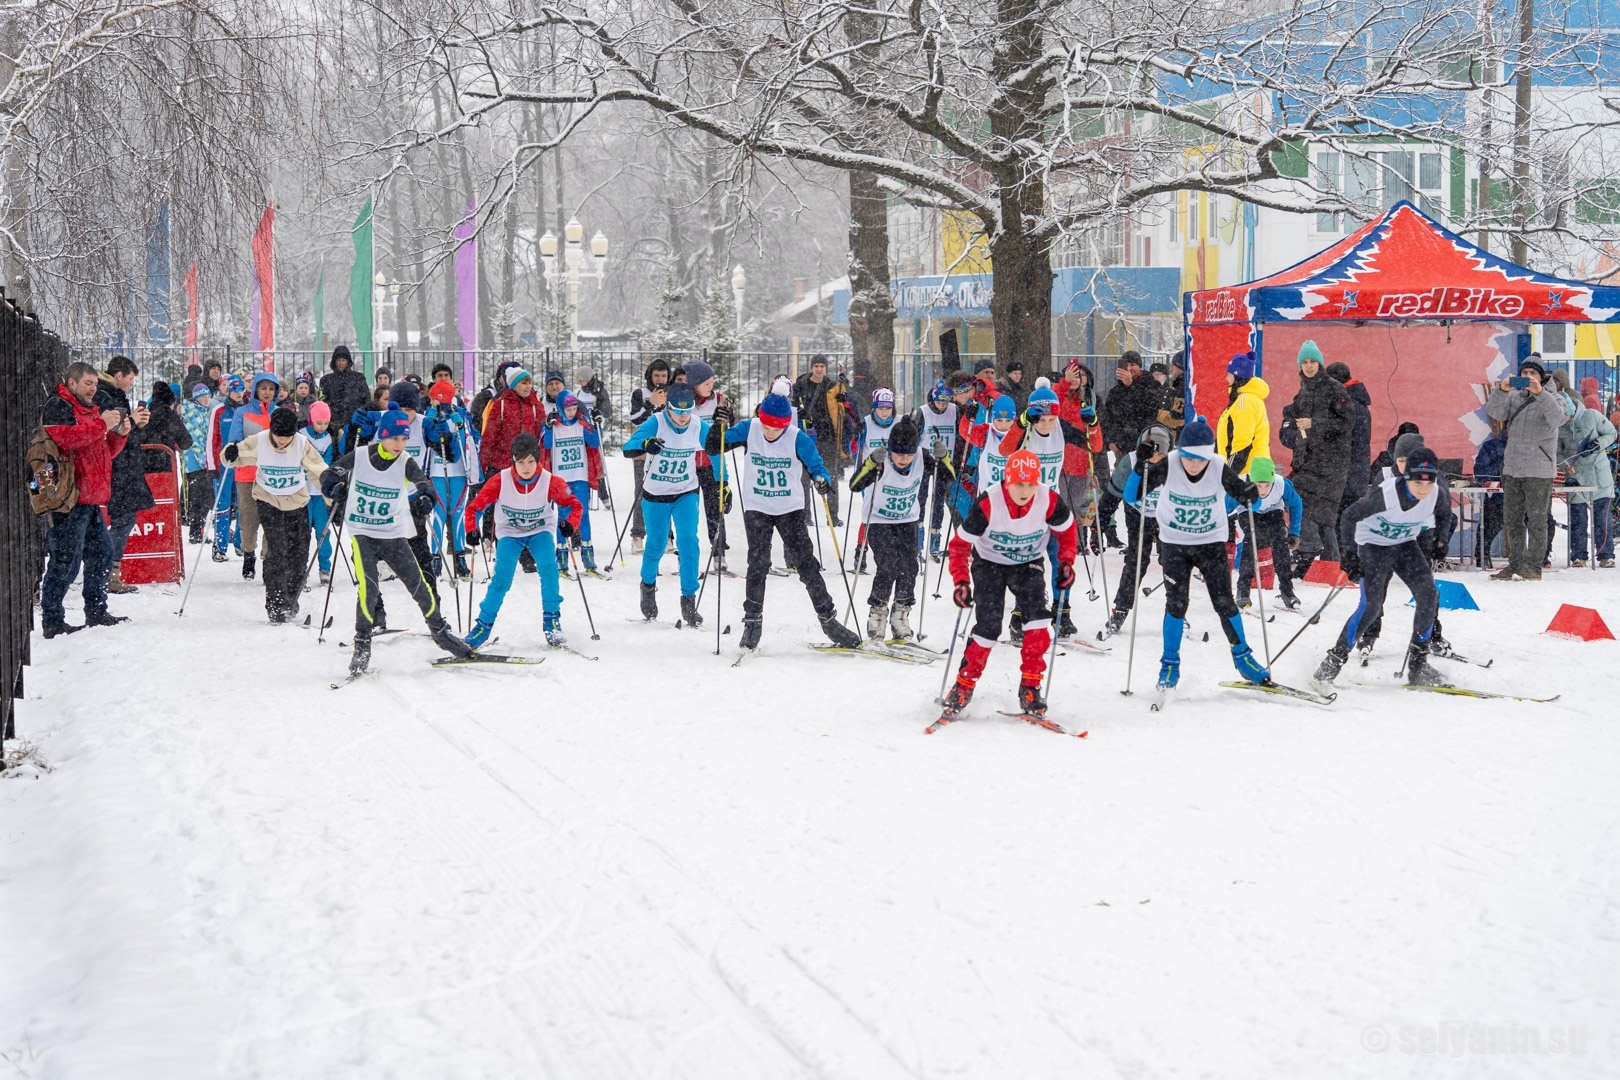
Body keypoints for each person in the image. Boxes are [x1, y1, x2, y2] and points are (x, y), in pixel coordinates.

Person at [320, 405, 473, 676]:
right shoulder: (361, 456)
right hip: (362, 531)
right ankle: (363, 643)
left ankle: (440, 633)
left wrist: (426, 498)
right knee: (368, 588)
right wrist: (333, 486)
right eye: (395, 439)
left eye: (404, 439)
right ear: (382, 436)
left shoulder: (405, 461)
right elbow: (329, 473)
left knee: (419, 585)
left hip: (392, 531)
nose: (400, 444)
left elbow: (425, 485)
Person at [706, 393, 862, 652]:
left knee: (807, 565)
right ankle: (752, 622)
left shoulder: (796, 437)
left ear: (786, 424)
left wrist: (822, 480)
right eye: (766, 425)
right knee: (757, 564)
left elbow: (817, 467)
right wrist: (717, 426)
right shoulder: (750, 428)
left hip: (789, 508)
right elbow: (713, 446)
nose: (769, 432)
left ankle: (829, 620)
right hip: (757, 506)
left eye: (776, 427)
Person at [1123, 415, 1268, 691]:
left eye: (1198, 459)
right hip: (1175, 545)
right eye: (1188, 458)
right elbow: (1132, 496)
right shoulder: (1170, 464)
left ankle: (1244, 658)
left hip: (1210, 544)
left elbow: (1254, 503)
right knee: (1177, 603)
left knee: (1224, 602)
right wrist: (1139, 470)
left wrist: (1250, 494)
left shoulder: (1217, 466)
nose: (1192, 464)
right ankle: (1169, 664)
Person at [940, 448, 1079, 718]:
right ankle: (963, 685)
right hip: (989, 563)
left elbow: (1068, 533)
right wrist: (961, 581)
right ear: (1006, 480)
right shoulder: (988, 503)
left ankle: (1030, 686)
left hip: (1028, 563)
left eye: (1030, 483)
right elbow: (959, 546)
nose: (1025, 490)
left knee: (1038, 621)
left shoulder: (1049, 500)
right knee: (989, 627)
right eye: (1018, 484)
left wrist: (1066, 563)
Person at [1312, 448, 1448, 688]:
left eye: (1429, 484)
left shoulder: (1437, 494)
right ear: (1407, 477)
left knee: (1429, 596)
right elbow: (1348, 516)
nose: (1423, 490)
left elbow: (1445, 516)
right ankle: (1331, 664)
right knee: (1371, 607)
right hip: (1373, 547)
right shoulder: (1386, 496)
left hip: (1405, 545)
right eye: (1418, 483)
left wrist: (1441, 541)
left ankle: (1418, 666)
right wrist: (1350, 554)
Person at [461, 433, 583, 648]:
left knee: (548, 569)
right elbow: (474, 508)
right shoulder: (500, 480)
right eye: (520, 462)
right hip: (510, 532)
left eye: (531, 461)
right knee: (502, 579)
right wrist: (471, 529)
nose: (526, 467)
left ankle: (552, 621)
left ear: (538, 460)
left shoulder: (550, 481)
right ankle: (483, 626)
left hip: (540, 530)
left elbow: (574, 505)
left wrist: (570, 524)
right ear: (513, 461)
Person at [997, 385, 1101, 637]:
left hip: (1053, 507)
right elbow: (1004, 450)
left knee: (1061, 561)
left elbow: (1094, 446)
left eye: (1052, 419)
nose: (1046, 425)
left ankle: (1061, 612)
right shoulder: (1026, 431)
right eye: (1042, 420)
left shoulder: (1061, 429)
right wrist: (1022, 422)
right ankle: (1020, 615)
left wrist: (1093, 423)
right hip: (1025, 509)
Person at [40, 361, 132, 638]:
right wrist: (102, 424)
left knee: (101, 555)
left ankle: (96, 610)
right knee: (65, 560)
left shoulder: (88, 411)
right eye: (88, 383)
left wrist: (121, 435)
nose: (94, 388)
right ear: (72, 383)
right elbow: (67, 440)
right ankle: (53, 621)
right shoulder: (58, 406)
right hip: (68, 498)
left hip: (88, 497)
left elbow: (102, 451)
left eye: (95, 383)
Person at [222, 406, 330, 621]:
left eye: (287, 437)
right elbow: (232, 458)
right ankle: (276, 604)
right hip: (268, 499)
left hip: (297, 501)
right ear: (271, 431)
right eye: (278, 436)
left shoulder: (301, 443)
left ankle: (292, 599)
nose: (282, 441)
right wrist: (230, 453)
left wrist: (332, 492)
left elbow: (318, 469)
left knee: (299, 553)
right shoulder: (260, 440)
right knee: (277, 551)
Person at [622, 383, 710, 625]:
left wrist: (724, 427)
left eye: (688, 411)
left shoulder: (696, 424)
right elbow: (628, 447)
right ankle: (648, 586)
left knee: (688, 542)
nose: (683, 417)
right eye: (677, 411)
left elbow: (718, 446)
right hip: (656, 494)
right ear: (668, 408)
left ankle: (689, 600)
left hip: (685, 492)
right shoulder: (657, 422)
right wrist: (646, 444)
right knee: (657, 545)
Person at [849, 417, 942, 641]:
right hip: (879, 520)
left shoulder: (921, 456)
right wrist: (871, 463)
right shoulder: (881, 459)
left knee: (910, 566)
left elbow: (948, 475)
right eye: (899, 453)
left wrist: (944, 456)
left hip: (907, 519)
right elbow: (855, 485)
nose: (903, 459)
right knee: (888, 565)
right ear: (890, 449)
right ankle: (877, 614)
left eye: (908, 454)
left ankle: (900, 615)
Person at [1485, 356, 1569, 580]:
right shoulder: (1514, 396)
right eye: (1525, 374)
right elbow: (1495, 413)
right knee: (1512, 519)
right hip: (1513, 468)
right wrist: (1501, 390)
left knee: (1537, 520)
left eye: (1533, 373)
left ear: (1541, 377)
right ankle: (1515, 563)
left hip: (1539, 470)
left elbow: (1559, 418)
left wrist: (1540, 393)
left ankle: (1533, 566)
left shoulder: (1555, 398)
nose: (1529, 377)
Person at [1279, 341, 1352, 567]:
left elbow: (1348, 421)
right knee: (1324, 514)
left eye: (1312, 361)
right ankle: (1329, 565)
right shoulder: (1303, 391)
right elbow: (1291, 429)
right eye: (1305, 362)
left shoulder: (1333, 388)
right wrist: (1294, 431)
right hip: (1309, 461)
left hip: (1330, 462)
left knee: (1298, 496)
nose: (1309, 366)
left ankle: (1307, 552)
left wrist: (1314, 424)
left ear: (1320, 363)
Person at [1100, 424, 1172, 637]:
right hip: (1137, 514)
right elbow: (1112, 495)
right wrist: (1100, 524)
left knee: (1172, 562)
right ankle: (1120, 609)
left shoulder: (1175, 463)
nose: (1154, 458)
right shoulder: (1130, 462)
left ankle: (1176, 611)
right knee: (1136, 561)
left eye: (1160, 454)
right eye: (1150, 453)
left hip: (1165, 516)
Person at [93, 356, 153, 595]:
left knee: (121, 521)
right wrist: (132, 423)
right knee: (122, 521)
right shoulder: (107, 396)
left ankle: (106, 572)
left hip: (121, 468)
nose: (130, 384)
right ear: (119, 376)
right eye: (129, 378)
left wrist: (134, 425)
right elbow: (114, 435)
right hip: (119, 469)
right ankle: (107, 573)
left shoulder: (109, 394)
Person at [541, 391, 605, 575]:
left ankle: (588, 559)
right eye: (568, 409)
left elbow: (593, 442)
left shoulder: (581, 423)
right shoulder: (554, 425)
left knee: (583, 515)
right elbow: (546, 445)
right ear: (560, 408)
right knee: (563, 516)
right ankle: (562, 559)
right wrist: (547, 426)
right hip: (562, 479)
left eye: (574, 408)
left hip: (580, 476)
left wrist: (596, 424)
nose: (571, 412)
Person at [227, 371, 282, 580]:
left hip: (273, 476)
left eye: (271, 389)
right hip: (247, 475)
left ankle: (268, 559)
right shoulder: (242, 413)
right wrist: (233, 448)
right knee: (248, 520)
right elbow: (234, 438)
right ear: (256, 389)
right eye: (263, 388)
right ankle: (248, 553)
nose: (267, 393)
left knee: (272, 521)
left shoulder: (278, 413)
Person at [423, 380, 478, 580]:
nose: (431, 402)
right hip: (437, 471)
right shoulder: (429, 414)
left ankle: (459, 557)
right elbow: (424, 440)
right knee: (438, 514)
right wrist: (428, 422)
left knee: (457, 515)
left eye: (434, 398)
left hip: (459, 472)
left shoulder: (460, 414)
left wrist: (462, 426)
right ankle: (435, 558)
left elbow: (471, 441)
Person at [1231, 457, 1302, 611]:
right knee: (1253, 540)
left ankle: (1287, 591)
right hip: (1248, 510)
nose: (1263, 490)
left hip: (1273, 509)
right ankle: (1243, 591)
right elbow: (1224, 507)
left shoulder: (1282, 484)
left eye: (1267, 485)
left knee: (1280, 542)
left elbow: (1296, 505)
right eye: (1258, 486)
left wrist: (1294, 532)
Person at [791, 356, 854, 526]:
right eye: (816, 366)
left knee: (830, 475)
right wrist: (799, 413)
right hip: (806, 438)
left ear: (826, 368)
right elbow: (792, 408)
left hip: (828, 437)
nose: (819, 369)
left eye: (822, 366)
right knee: (804, 478)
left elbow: (848, 407)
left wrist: (844, 398)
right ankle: (805, 516)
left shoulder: (832, 387)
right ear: (812, 367)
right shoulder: (800, 386)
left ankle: (832, 516)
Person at [684, 360, 730, 568]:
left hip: (712, 462)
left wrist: (729, 416)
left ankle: (719, 552)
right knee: (687, 511)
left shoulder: (719, 400)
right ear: (693, 384)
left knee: (715, 508)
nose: (710, 387)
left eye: (712, 382)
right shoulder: (684, 402)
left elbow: (729, 430)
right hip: (689, 464)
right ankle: (685, 556)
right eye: (706, 383)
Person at [1563, 393, 1616, 567]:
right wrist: (1566, 466)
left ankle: (1606, 555)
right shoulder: (1558, 427)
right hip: (1576, 476)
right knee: (1578, 519)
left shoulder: (1592, 415)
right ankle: (1579, 556)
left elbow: (1611, 433)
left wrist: (1598, 444)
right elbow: (1556, 452)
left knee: (1602, 519)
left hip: (1599, 475)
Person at [626, 358, 672, 554]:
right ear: (649, 376)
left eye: (663, 375)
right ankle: (638, 535)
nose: (659, 379)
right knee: (641, 491)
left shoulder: (672, 394)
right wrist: (650, 404)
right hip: (643, 450)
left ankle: (668, 536)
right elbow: (635, 419)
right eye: (656, 375)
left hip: (668, 450)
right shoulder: (639, 394)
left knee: (668, 491)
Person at [913, 380, 959, 560]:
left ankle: (935, 542)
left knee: (939, 501)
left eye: (946, 401)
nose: (943, 405)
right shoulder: (923, 411)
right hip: (925, 461)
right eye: (940, 402)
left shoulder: (954, 410)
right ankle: (918, 541)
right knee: (921, 499)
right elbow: (915, 435)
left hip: (944, 462)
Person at [1326, 361, 1372, 517]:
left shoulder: (1345, 405)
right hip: (1355, 475)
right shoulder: (1358, 403)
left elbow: (1336, 439)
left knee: (1334, 525)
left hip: (1342, 476)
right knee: (1344, 523)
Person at [209, 375, 247, 562]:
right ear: (228, 390)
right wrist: (211, 464)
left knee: (243, 505)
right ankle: (220, 545)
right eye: (235, 390)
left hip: (243, 465)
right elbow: (211, 439)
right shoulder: (219, 410)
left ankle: (241, 544)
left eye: (241, 390)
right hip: (224, 466)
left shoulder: (248, 410)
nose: (239, 393)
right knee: (223, 506)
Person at [1216, 351, 1270, 477]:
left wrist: (1229, 476)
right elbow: (1229, 435)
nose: (1226, 379)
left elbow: (1242, 444)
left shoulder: (1244, 402)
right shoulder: (1245, 399)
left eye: (1229, 375)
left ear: (1237, 377)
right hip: (1253, 469)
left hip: (1248, 472)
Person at [304, 402, 338, 584]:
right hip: (302, 493)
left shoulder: (328, 439)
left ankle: (324, 567)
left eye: (325, 423)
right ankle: (301, 566)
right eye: (319, 423)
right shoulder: (301, 435)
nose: (322, 427)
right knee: (303, 533)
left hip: (320, 493)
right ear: (311, 420)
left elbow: (328, 462)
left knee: (323, 532)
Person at [182, 383, 216, 544]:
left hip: (199, 462)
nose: (207, 399)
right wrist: (205, 462)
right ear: (196, 398)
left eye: (208, 396)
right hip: (196, 463)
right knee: (201, 498)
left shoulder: (200, 411)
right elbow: (195, 441)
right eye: (203, 396)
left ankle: (197, 529)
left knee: (204, 498)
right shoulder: (193, 413)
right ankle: (195, 530)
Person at [1471, 422, 1507, 568]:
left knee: (1543, 523)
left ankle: (1541, 557)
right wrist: (1500, 474)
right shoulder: (1491, 447)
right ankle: (1482, 554)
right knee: (1491, 522)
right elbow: (1480, 472)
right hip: (1498, 497)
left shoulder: (1527, 448)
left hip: (1524, 497)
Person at [319, 346, 371, 437]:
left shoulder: (358, 378)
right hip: (332, 424)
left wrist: (359, 415)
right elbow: (322, 403)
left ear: (348, 361)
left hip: (353, 423)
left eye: (343, 360)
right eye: (339, 360)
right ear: (334, 362)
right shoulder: (326, 380)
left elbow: (366, 400)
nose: (341, 363)